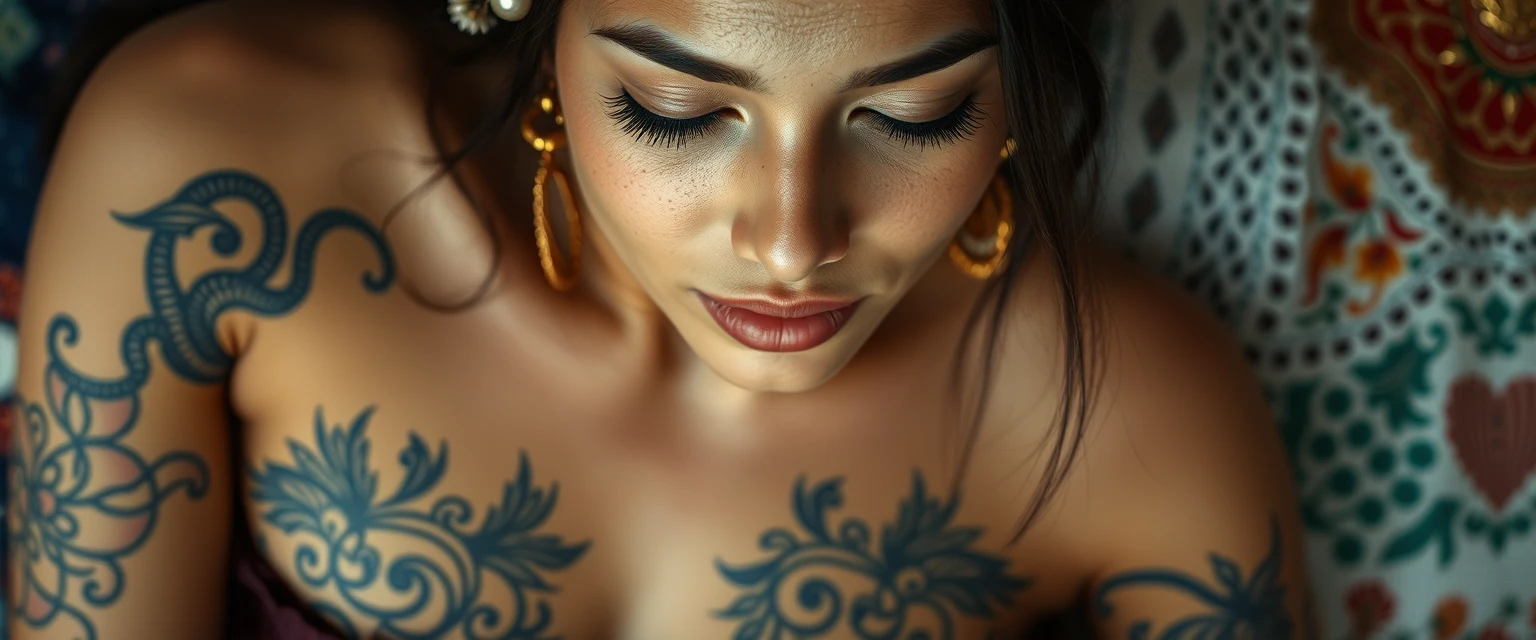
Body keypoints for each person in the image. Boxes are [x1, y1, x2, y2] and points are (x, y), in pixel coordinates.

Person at [8, 0, 1310, 637]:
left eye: (914, 118)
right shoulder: (217, 182)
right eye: (679, 113)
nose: (792, 239)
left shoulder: (1126, 423)